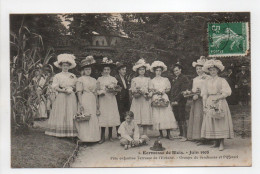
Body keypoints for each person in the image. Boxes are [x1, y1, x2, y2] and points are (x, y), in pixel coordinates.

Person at [201, 59, 234, 151]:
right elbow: (204, 94)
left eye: (214, 70)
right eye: (211, 70)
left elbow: (228, 92)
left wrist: (218, 98)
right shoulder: (206, 81)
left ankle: (221, 143)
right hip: (210, 101)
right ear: (209, 71)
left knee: (220, 121)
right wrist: (204, 105)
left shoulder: (222, 80)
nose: (212, 72)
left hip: (220, 101)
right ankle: (216, 142)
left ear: (217, 71)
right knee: (212, 121)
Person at [45, 54, 78, 137]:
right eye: (64, 65)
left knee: (70, 111)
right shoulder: (57, 76)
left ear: (69, 66)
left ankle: (69, 132)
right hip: (61, 96)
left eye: (67, 66)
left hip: (70, 96)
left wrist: (71, 89)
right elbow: (55, 87)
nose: (65, 67)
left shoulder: (73, 76)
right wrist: (63, 90)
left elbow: (75, 86)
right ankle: (60, 132)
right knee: (61, 112)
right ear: (61, 66)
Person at [150, 61, 178, 140]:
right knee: (157, 115)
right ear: (154, 71)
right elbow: (151, 90)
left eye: (160, 70)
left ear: (162, 71)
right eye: (157, 70)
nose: (158, 72)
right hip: (156, 97)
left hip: (164, 97)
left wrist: (163, 91)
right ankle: (161, 133)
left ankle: (169, 133)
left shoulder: (165, 80)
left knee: (166, 114)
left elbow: (168, 89)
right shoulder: (152, 81)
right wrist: (156, 92)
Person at [75, 56, 101, 143]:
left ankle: (94, 138)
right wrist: (81, 103)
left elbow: (96, 93)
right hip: (84, 98)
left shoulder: (94, 80)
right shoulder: (80, 79)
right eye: (86, 69)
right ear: (83, 70)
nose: (88, 71)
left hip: (92, 99)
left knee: (93, 116)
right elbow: (79, 92)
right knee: (85, 116)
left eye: (89, 69)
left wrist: (97, 104)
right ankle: (84, 138)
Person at [97, 57, 121, 143]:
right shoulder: (99, 79)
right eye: (105, 69)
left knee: (111, 116)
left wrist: (115, 92)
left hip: (111, 99)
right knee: (103, 116)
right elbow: (97, 90)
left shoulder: (113, 79)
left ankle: (110, 136)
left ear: (110, 70)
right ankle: (102, 136)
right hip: (103, 99)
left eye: (108, 69)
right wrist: (101, 92)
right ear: (102, 70)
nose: (106, 71)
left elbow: (116, 90)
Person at [187, 56, 209, 144]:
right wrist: (193, 93)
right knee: (196, 117)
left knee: (202, 117)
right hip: (196, 100)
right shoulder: (195, 79)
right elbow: (194, 89)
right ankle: (197, 136)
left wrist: (199, 94)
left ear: (203, 69)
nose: (198, 70)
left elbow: (207, 89)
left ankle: (204, 137)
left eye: (200, 68)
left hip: (204, 99)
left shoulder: (207, 78)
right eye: (197, 69)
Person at [130, 58, 153, 136]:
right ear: (137, 71)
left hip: (145, 100)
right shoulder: (134, 79)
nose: (142, 71)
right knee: (137, 114)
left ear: (145, 70)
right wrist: (137, 92)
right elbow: (132, 90)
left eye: (143, 69)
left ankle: (145, 133)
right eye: (140, 70)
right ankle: (136, 132)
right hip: (137, 99)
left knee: (145, 114)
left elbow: (151, 89)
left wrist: (149, 94)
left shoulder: (148, 79)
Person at [170, 62, 189, 142]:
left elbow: (183, 91)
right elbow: (173, 91)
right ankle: (181, 133)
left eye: (177, 70)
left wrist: (176, 100)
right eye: (174, 71)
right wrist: (172, 100)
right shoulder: (175, 78)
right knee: (177, 117)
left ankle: (185, 135)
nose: (176, 72)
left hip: (181, 101)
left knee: (182, 117)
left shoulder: (184, 78)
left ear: (180, 70)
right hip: (175, 101)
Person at [115, 62, 130, 138]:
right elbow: (115, 89)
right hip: (119, 98)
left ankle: (124, 131)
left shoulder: (125, 78)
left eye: (125, 70)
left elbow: (126, 88)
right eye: (123, 70)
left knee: (125, 115)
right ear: (119, 70)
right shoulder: (116, 78)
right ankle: (119, 133)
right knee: (119, 115)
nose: (124, 71)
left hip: (125, 99)